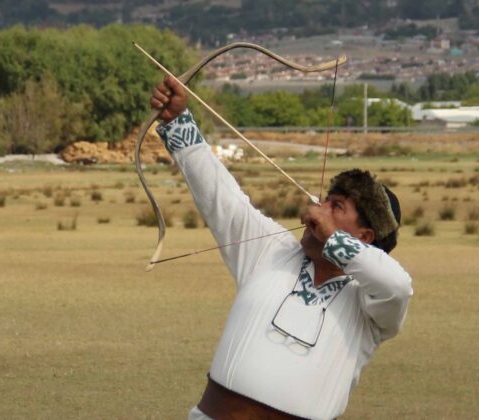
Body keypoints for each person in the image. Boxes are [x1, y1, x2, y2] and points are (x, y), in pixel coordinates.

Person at [150, 76, 413, 420]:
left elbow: (398, 286)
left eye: (336, 207)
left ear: (364, 237)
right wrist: (177, 120)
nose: (316, 210)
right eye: (324, 200)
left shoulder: (371, 306)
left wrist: (333, 239)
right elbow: (221, 196)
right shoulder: (272, 252)